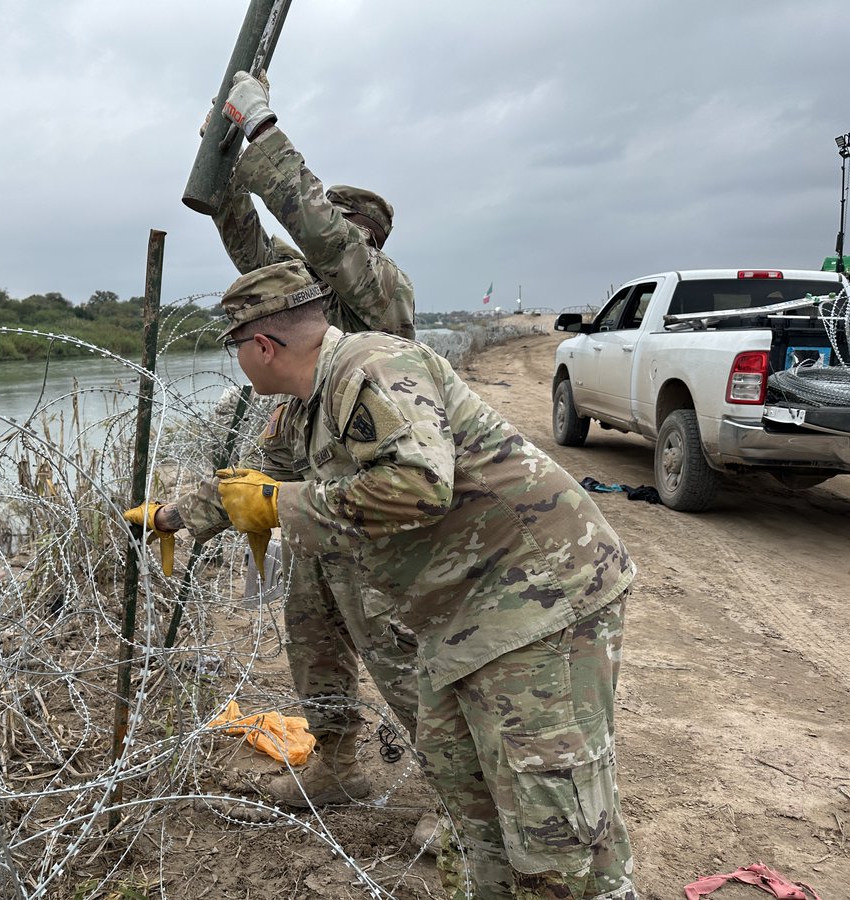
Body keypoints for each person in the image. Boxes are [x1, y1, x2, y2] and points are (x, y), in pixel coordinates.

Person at [129, 260, 638, 899]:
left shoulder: (371, 370)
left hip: (540, 595)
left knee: (555, 820)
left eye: (235, 347)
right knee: (464, 786)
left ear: (262, 346)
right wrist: (176, 517)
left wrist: (282, 509)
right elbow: (258, 483)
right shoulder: (304, 406)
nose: (237, 360)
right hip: (462, 611)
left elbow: (421, 484)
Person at [201, 70, 425, 815]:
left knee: (397, 645)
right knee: (313, 629)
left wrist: (266, 134)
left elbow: (321, 240)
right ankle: (337, 763)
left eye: (335, 233)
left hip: (372, 491)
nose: (318, 245)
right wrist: (219, 152)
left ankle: (465, 779)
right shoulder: (300, 297)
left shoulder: (380, 292)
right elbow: (246, 239)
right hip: (309, 488)